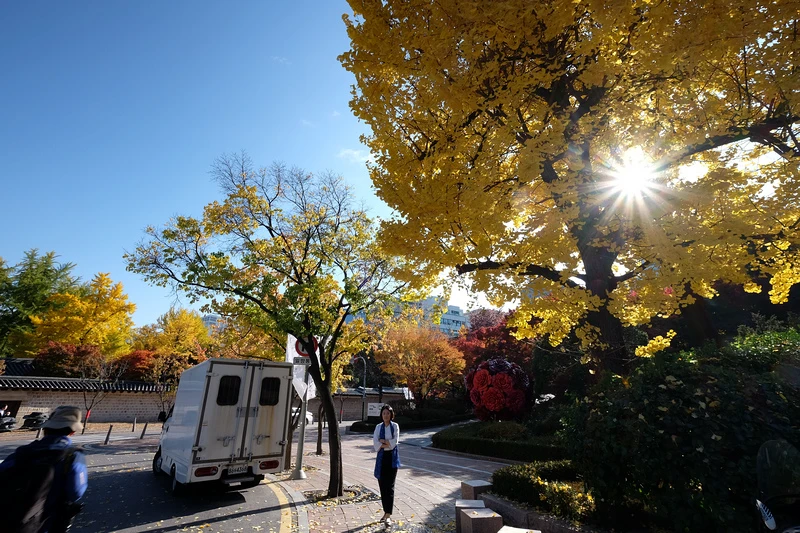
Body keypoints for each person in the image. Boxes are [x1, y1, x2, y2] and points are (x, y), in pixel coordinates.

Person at [0, 406, 88, 533]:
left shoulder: (23, 452)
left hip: (10, 518)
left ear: (45, 429)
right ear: (72, 432)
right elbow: (76, 493)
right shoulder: (72, 457)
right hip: (47, 522)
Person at [373, 404, 401, 525]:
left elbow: (394, 443)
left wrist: (382, 442)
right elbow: (375, 443)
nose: (386, 415)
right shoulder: (378, 427)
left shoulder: (395, 426)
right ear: (381, 415)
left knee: (390, 486)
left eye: (388, 413)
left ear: (391, 415)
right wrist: (386, 443)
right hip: (381, 458)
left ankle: (388, 515)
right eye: (384, 413)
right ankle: (385, 512)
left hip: (392, 459)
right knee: (382, 486)